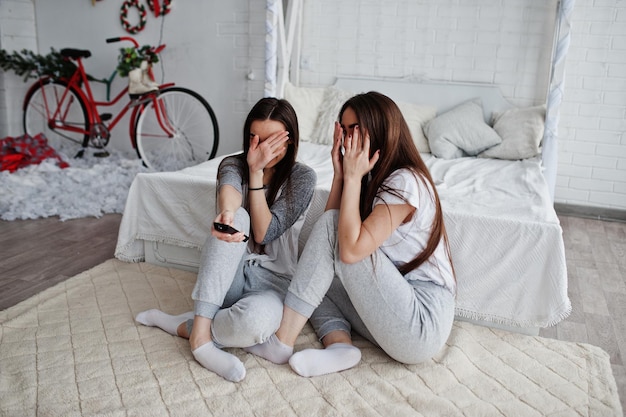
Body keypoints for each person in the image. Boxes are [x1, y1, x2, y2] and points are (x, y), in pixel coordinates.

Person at [245, 91, 456, 377]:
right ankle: (339, 346)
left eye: (353, 129)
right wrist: (341, 176)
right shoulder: (373, 178)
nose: (345, 139)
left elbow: (349, 249)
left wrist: (354, 177)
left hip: (420, 323)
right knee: (314, 267)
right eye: (342, 130)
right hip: (392, 312)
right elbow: (327, 236)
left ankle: (282, 341)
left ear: (378, 129)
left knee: (338, 239)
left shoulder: (405, 180)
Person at [135, 97, 316, 382]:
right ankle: (201, 342)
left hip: (273, 283)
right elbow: (229, 197)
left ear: (290, 141)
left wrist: (256, 173)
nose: (262, 148)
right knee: (238, 217)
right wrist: (227, 215)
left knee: (254, 324)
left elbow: (265, 232)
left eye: (271, 140)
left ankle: (187, 326)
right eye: (255, 139)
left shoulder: (302, 178)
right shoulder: (233, 163)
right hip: (229, 275)